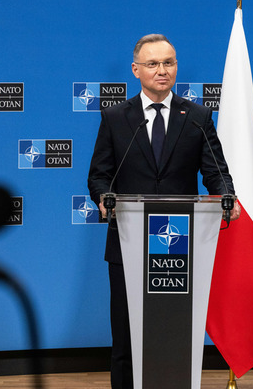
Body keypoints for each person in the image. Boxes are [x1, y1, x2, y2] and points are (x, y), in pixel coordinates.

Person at [87, 33, 240, 389]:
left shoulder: (198, 116)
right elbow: (99, 175)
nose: (162, 70)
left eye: (168, 63)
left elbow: (216, 171)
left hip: (179, 245)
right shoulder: (116, 117)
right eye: (153, 64)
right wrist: (104, 197)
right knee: (126, 337)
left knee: (175, 334)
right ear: (135, 69)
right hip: (128, 242)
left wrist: (226, 196)